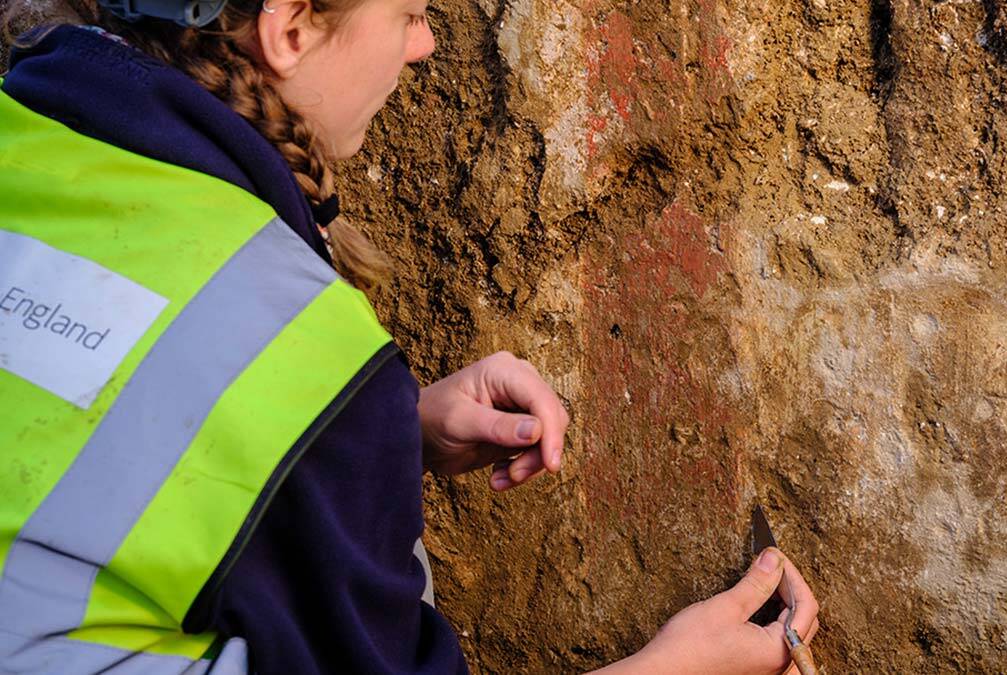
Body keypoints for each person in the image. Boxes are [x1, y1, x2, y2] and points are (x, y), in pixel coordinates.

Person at [0, 0, 820, 672]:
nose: (424, 46)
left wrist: (386, 438)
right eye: (410, 14)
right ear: (289, 30)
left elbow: (88, 407)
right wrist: (676, 667)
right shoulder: (306, 360)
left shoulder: (22, 143)